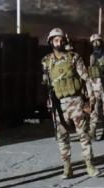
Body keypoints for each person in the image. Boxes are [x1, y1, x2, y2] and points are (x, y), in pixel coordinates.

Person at [41, 28, 99, 178]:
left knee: (83, 135)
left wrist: (91, 99)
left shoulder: (74, 58)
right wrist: (48, 100)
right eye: (55, 40)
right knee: (62, 137)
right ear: (51, 42)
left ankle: (89, 164)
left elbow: (86, 79)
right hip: (58, 105)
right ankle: (67, 167)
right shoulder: (46, 61)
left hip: (75, 101)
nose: (58, 43)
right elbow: (47, 84)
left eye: (61, 40)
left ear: (65, 41)